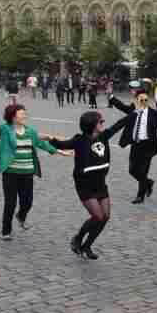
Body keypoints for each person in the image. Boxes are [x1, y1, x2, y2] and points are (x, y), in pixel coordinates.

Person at [0, 92, 70, 240]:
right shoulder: (5, 130)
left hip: (27, 172)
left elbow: (42, 144)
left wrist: (59, 151)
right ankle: (6, 231)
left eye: (24, 113)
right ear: (13, 116)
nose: (24, 115)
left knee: (27, 202)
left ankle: (21, 216)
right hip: (10, 172)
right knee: (10, 203)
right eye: (21, 113)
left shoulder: (30, 132)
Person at [48, 110, 133, 259]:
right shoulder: (79, 140)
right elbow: (62, 144)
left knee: (105, 216)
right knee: (98, 216)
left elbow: (118, 125)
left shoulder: (104, 136)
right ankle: (78, 238)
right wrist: (49, 139)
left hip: (100, 183)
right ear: (92, 124)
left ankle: (87, 246)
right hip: (85, 185)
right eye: (100, 121)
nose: (103, 123)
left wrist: (135, 113)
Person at [109, 88, 157, 203]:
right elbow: (121, 115)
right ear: (137, 100)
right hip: (136, 144)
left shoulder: (153, 114)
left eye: (145, 99)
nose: (143, 101)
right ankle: (148, 182)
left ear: (148, 100)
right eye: (141, 99)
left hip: (148, 146)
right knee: (132, 170)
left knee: (143, 170)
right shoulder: (133, 111)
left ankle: (140, 196)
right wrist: (111, 97)